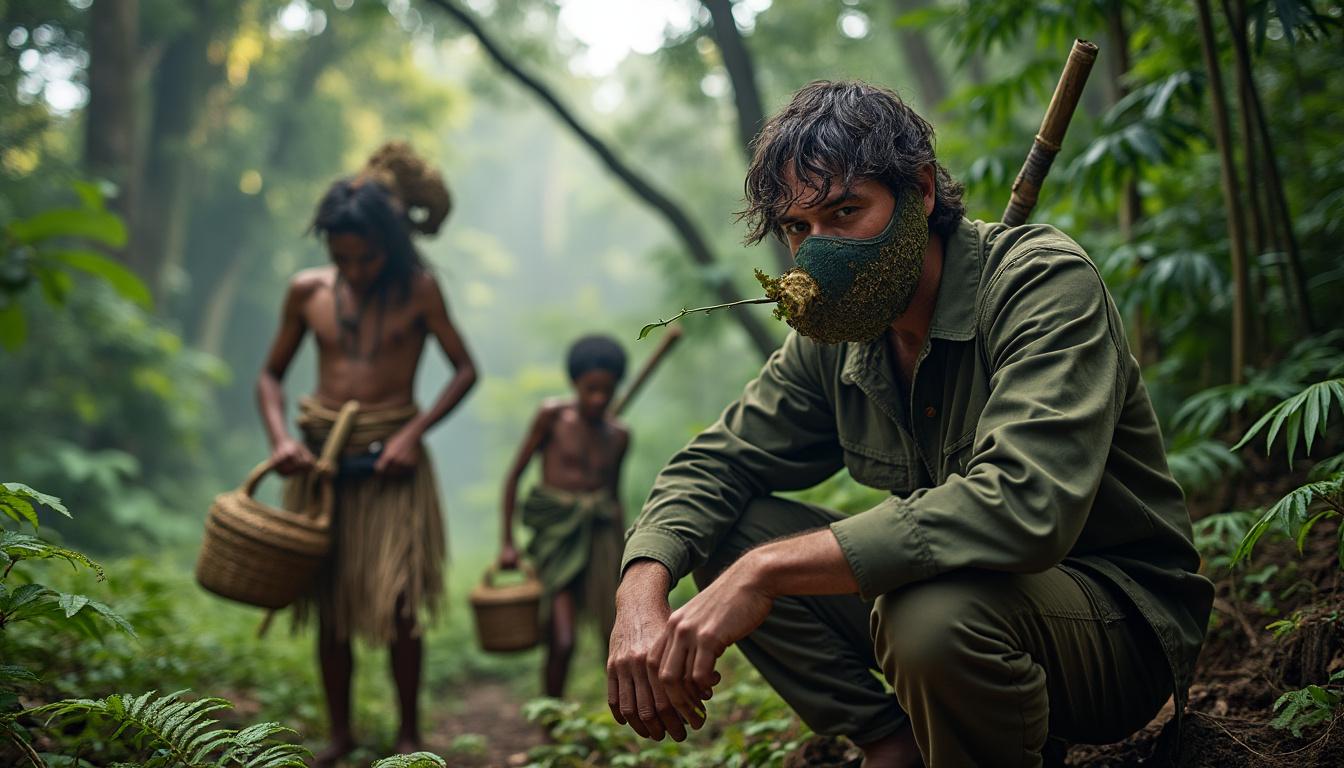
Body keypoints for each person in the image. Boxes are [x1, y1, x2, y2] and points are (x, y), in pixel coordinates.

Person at [606, 81, 1214, 767]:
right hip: (966, 609)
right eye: (799, 229)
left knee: (924, 615)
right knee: (727, 535)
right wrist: (638, 591)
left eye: (845, 211)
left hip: (1116, 627)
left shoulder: (1041, 284)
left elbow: (1024, 503)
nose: (819, 252)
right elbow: (714, 463)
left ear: (920, 190)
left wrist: (768, 573)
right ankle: (893, 744)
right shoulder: (838, 344)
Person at [256, 143, 477, 764]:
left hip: (394, 467)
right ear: (327, 243)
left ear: (393, 243)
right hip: (320, 464)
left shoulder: (420, 291)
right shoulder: (307, 292)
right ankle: (342, 735)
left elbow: (464, 370)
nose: (354, 268)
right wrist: (280, 441)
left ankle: (409, 735)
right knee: (329, 606)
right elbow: (269, 377)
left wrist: (412, 434)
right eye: (341, 255)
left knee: (401, 603)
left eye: (368, 256)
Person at [498, 335, 630, 698]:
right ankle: (551, 721)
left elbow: (613, 498)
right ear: (575, 383)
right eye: (591, 389)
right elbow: (513, 478)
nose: (598, 399)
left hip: (600, 539)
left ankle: (624, 718)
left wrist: (625, 559)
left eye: (607, 390)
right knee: (563, 638)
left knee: (614, 634)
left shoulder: (619, 435)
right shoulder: (552, 417)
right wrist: (507, 543)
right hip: (558, 537)